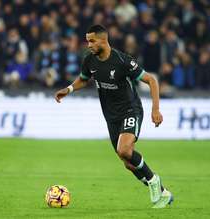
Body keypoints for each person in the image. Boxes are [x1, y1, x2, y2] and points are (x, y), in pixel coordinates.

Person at [54, 24, 173, 208]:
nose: (89, 45)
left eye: (92, 41)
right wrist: (69, 89)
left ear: (103, 40)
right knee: (128, 162)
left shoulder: (122, 60)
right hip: (111, 117)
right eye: (87, 41)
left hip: (130, 109)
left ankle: (153, 180)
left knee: (124, 150)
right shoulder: (89, 60)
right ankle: (164, 193)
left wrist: (155, 109)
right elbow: (84, 79)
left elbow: (151, 80)